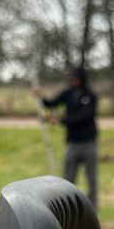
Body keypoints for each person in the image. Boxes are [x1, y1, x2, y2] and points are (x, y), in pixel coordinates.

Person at [32, 67, 98, 209]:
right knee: (68, 178)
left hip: (89, 143)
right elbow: (51, 103)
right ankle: (69, 207)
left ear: (82, 80)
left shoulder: (91, 96)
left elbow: (85, 116)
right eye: (71, 79)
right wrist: (40, 97)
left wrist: (61, 120)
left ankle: (92, 208)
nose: (72, 81)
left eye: (75, 79)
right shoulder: (67, 94)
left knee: (91, 179)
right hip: (72, 143)